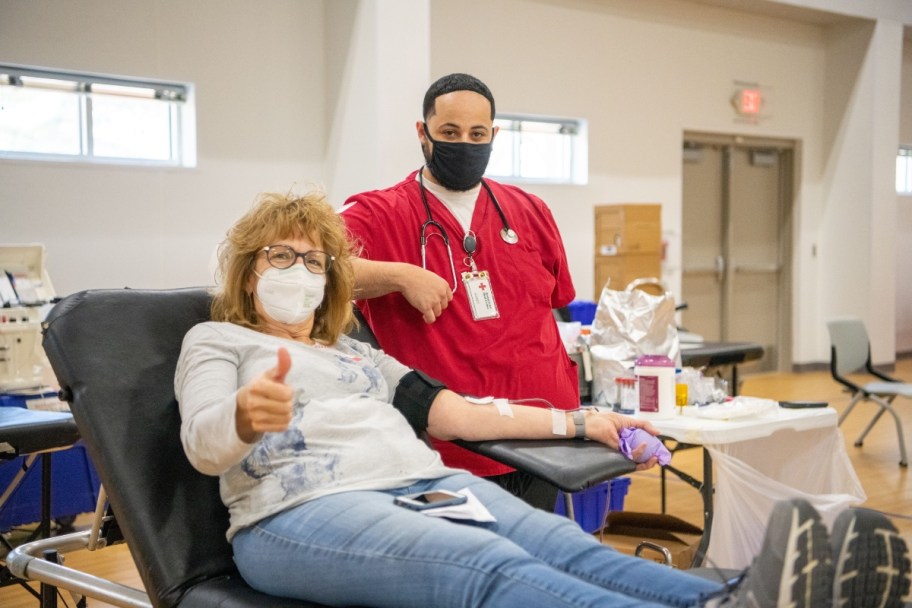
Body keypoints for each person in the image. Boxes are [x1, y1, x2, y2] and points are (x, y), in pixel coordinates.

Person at [175, 190, 910, 608]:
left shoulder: (357, 352)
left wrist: (584, 419)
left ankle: (722, 601)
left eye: (314, 259)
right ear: (248, 274)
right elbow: (204, 444)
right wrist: (244, 419)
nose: (299, 271)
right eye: (282, 257)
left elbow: (458, 412)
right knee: (485, 566)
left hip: (424, 487)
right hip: (298, 514)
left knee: (558, 541)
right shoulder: (217, 342)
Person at [341, 73, 578, 508]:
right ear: (422, 133)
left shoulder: (531, 211)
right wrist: (401, 276)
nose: (464, 143)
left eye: (477, 134)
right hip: (447, 447)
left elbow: (556, 304)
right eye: (450, 132)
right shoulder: (378, 213)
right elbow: (321, 269)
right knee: (465, 568)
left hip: (542, 433)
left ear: (494, 135)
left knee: (533, 566)